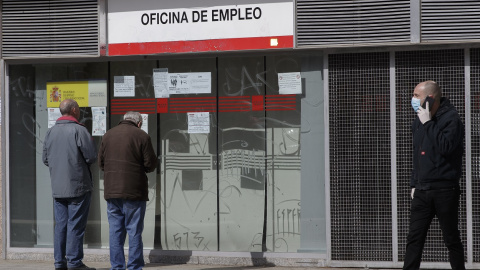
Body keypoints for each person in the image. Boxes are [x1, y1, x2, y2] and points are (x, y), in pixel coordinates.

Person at [404, 81, 465, 270]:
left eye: (416, 96)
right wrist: (414, 183)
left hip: (444, 189)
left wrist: (429, 123)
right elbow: (418, 153)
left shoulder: (450, 119)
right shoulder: (418, 120)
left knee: (451, 238)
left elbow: (445, 147)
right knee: (414, 237)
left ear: (430, 98)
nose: (413, 100)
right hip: (422, 189)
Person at [42, 99, 97, 270]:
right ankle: (74, 262)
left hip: (58, 188)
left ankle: (60, 262)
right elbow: (91, 157)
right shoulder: (79, 130)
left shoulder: (50, 132)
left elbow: (45, 159)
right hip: (77, 186)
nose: (79, 111)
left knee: (61, 226)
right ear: (74, 110)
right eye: (78, 109)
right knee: (76, 225)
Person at [98, 111, 157, 270]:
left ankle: (117, 266)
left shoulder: (107, 135)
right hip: (134, 191)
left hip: (112, 191)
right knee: (134, 231)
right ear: (139, 123)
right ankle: (134, 266)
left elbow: (101, 164)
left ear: (123, 120)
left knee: (115, 232)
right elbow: (150, 164)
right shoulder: (142, 136)